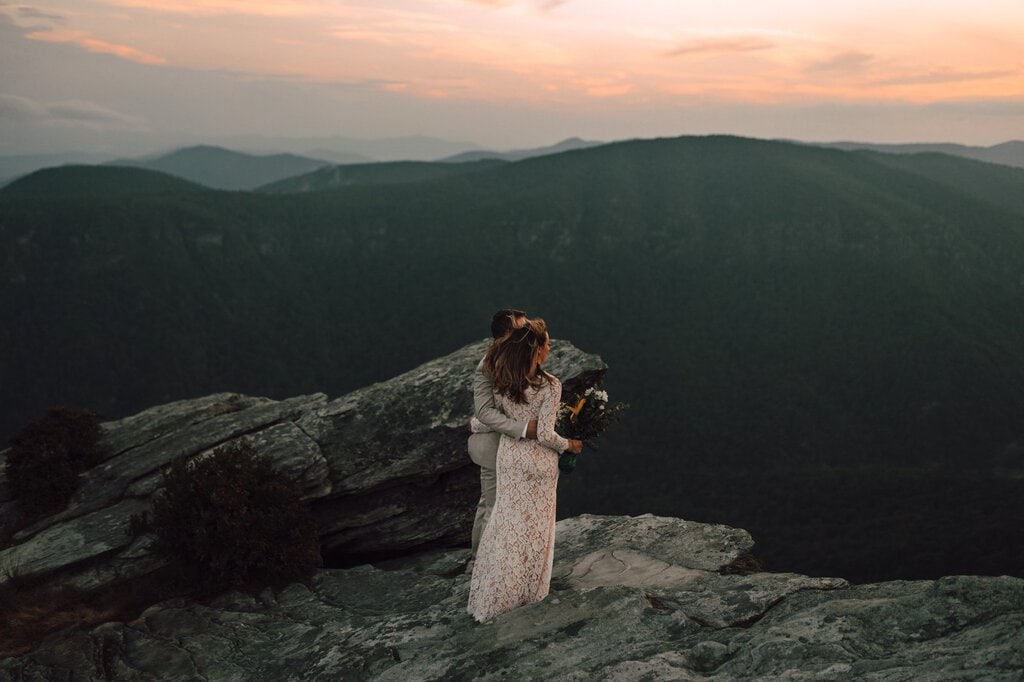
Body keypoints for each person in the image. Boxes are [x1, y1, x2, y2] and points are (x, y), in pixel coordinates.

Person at [467, 319, 583, 622]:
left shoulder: (503, 378)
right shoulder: (550, 384)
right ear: (539, 349)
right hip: (538, 459)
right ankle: (530, 592)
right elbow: (544, 434)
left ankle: (492, 596)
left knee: (505, 525)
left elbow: (490, 413)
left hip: (509, 455)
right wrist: (568, 445)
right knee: (536, 528)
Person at [468, 309, 538, 553]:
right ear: (506, 334)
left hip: (517, 446)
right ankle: (482, 564)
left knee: (495, 504)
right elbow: (484, 412)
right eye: (522, 329)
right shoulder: (487, 365)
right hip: (493, 444)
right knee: (493, 505)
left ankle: (491, 558)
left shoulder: (523, 359)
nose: (527, 333)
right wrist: (522, 429)